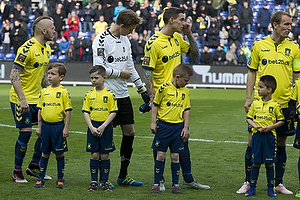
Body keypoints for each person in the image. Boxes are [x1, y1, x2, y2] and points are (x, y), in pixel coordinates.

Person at [142, 7, 210, 191]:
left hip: (178, 94)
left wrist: (189, 34)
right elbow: (147, 72)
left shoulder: (178, 37)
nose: (184, 22)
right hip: (163, 97)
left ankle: (187, 179)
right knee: (161, 142)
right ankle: (160, 180)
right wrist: (151, 96)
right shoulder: (154, 42)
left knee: (182, 138)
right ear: (171, 20)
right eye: (182, 19)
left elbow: (195, 53)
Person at [237, 11, 300, 195]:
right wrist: (249, 98)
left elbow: (297, 75)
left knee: (281, 143)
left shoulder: (295, 48)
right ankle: (249, 181)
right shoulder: (259, 45)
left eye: (291, 24)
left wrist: (297, 100)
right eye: (286, 24)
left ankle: (278, 183)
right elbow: (251, 72)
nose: (290, 27)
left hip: (285, 104)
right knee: (252, 142)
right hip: (260, 105)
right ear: (274, 25)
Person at [92, 9, 147, 187]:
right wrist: (119, 73)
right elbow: (98, 68)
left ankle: (123, 176)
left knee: (129, 133)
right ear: (122, 25)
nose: (132, 33)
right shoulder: (100, 40)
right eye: (130, 29)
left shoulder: (125, 40)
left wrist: (142, 89)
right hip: (106, 95)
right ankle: (101, 179)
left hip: (123, 95)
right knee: (103, 135)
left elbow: (130, 65)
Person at [9, 16, 55, 183]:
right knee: (26, 133)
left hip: (37, 99)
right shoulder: (26, 48)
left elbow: (41, 76)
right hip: (20, 99)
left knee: (47, 131)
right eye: (52, 27)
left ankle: (34, 167)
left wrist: (50, 89)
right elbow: (13, 75)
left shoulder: (47, 49)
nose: (54, 30)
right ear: (44, 30)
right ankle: (17, 171)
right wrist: (22, 99)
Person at [150, 64, 193, 194]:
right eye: (186, 81)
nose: (187, 83)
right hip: (164, 126)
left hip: (178, 128)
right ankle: (157, 183)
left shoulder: (185, 91)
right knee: (161, 155)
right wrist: (153, 123)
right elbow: (155, 105)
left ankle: (175, 184)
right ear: (177, 77)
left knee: (175, 156)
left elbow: (186, 110)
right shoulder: (163, 88)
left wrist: (185, 127)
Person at [33, 62, 72, 189]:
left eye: (52, 74)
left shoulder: (64, 92)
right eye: (48, 73)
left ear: (61, 77)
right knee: (45, 153)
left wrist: (66, 128)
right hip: (45, 127)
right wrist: (39, 126)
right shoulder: (44, 91)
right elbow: (40, 109)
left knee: (59, 154)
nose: (49, 76)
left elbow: (68, 111)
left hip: (58, 127)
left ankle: (60, 179)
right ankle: (40, 178)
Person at [245, 75, 284, 197]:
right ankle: (252, 188)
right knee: (255, 163)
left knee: (269, 163)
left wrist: (270, 127)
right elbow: (248, 118)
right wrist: (256, 126)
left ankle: (270, 188)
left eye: (260, 87)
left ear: (269, 90)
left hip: (269, 137)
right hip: (257, 136)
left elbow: (281, 120)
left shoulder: (275, 105)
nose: (257, 89)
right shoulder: (255, 104)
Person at [83, 65, 118, 191]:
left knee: (105, 155)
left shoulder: (109, 94)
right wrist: (91, 127)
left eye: (96, 78)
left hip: (105, 128)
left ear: (104, 78)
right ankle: (94, 182)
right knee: (94, 155)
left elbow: (113, 112)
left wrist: (103, 126)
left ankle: (104, 182)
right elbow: (86, 111)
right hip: (93, 126)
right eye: (91, 78)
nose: (93, 80)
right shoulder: (89, 94)